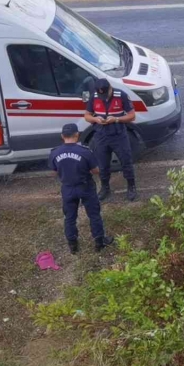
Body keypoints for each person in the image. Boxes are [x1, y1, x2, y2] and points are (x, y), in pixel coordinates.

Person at [49, 123, 113, 254]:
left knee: (70, 217)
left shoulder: (54, 152)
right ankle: (99, 242)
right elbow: (95, 170)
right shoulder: (85, 151)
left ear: (62, 136)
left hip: (67, 188)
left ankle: (73, 245)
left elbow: (54, 172)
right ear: (77, 135)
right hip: (85, 187)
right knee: (94, 215)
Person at [84, 79, 137, 202]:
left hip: (118, 135)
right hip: (101, 135)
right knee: (102, 165)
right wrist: (95, 119)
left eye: (105, 94)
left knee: (126, 161)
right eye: (101, 95)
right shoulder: (95, 96)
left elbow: (132, 115)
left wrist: (116, 119)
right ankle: (105, 187)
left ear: (110, 88)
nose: (103, 97)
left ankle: (131, 186)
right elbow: (87, 116)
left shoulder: (121, 95)